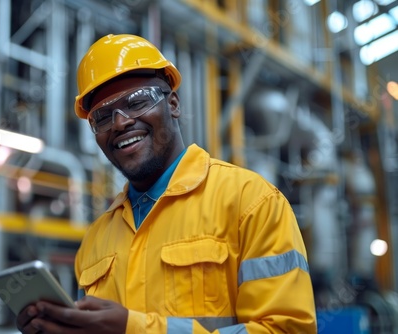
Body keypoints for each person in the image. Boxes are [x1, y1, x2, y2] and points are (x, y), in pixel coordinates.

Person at [17, 33, 317, 334]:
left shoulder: (251, 203)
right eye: (103, 117)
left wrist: (134, 329)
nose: (120, 123)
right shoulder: (96, 240)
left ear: (172, 103)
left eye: (136, 102)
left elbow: (287, 330)